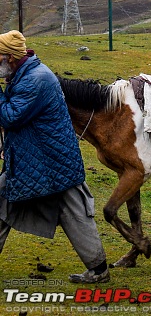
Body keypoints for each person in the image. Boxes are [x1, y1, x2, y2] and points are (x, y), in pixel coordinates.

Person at [0, 30, 110, 283]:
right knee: (2, 203)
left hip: (51, 160)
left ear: (10, 58)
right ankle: (99, 269)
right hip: (37, 159)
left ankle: (99, 270)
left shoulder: (35, 80)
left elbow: (9, 116)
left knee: (75, 214)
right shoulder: (24, 74)